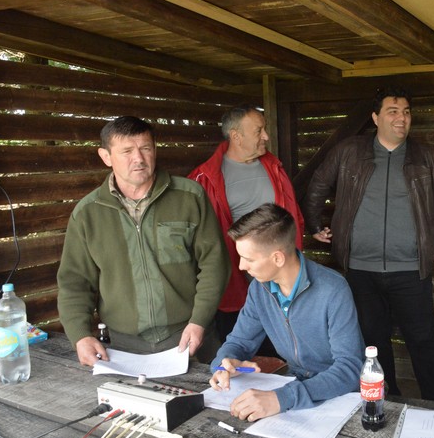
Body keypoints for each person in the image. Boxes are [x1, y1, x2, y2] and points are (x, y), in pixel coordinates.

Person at [302, 87, 434, 402]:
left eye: (406, 112)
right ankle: (387, 399)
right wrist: (314, 226)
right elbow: (317, 185)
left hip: (410, 268)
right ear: (375, 117)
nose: (401, 118)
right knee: (373, 340)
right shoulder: (349, 151)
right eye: (393, 111)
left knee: (422, 338)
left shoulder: (428, 157)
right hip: (359, 268)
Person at [57, 116, 229, 366]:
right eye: (127, 151)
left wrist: (200, 320)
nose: (138, 158)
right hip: (122, 347)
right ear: (106, 156)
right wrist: (80, 336)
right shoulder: (87, 214)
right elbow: (74, 283)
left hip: (191, 337)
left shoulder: (189, 197)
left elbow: (215, 264)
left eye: (145, 148)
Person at [209, 204, 364, 420]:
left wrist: (283, 398)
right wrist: (224, 363)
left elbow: (350, 369)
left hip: (337, 394)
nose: (242, 266)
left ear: (278, 258)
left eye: (249, 259)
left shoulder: (334, 289)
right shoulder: (259, 289)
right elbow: (239, 342)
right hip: (293, 383)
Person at [189, 104, 303, 343]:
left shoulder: (274, 167)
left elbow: (293, 214)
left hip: (280, 277)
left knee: (286, 343)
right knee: (242, 344)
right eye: (259, 131)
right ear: (236, 136)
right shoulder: (203, 178)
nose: (266, 136)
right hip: (236, 282)